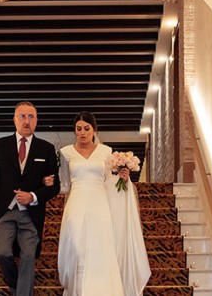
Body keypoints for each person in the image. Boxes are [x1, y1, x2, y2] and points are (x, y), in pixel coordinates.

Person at [49, 111, 151, 296]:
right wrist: (49, 182)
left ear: (94, 130)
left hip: (99, 202)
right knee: (77, 245)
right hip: (76, 201)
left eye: (86, 128)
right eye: (78, 129)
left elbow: (108, 181)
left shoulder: (106, 151)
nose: (82, 133)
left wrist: (123, 178)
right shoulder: (66, 152)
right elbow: (64, 184)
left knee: (100, 245)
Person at [0, 101, 60, 296]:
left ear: (36, 120)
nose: (26, 121)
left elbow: (55, 187)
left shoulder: (46, 149)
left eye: (31, 117)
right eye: (22, 116)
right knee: (2, 253)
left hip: (31, 215)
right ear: (14, 119)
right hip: (3, 212)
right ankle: (17, 285)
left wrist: (33, 196)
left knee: (29, 256)